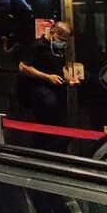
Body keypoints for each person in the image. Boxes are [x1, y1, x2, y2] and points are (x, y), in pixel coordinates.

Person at [18, 21, 77, 152]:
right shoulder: (37, 46)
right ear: (51, 32)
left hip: (57, 93)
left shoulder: (58, 49)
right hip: (41, 93)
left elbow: (60, 68)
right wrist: (47, 77)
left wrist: (69, 78)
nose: (62, 43)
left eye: (65, 41)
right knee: (48, 128)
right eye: (60, 39)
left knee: (61, 129)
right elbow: (23, 67)